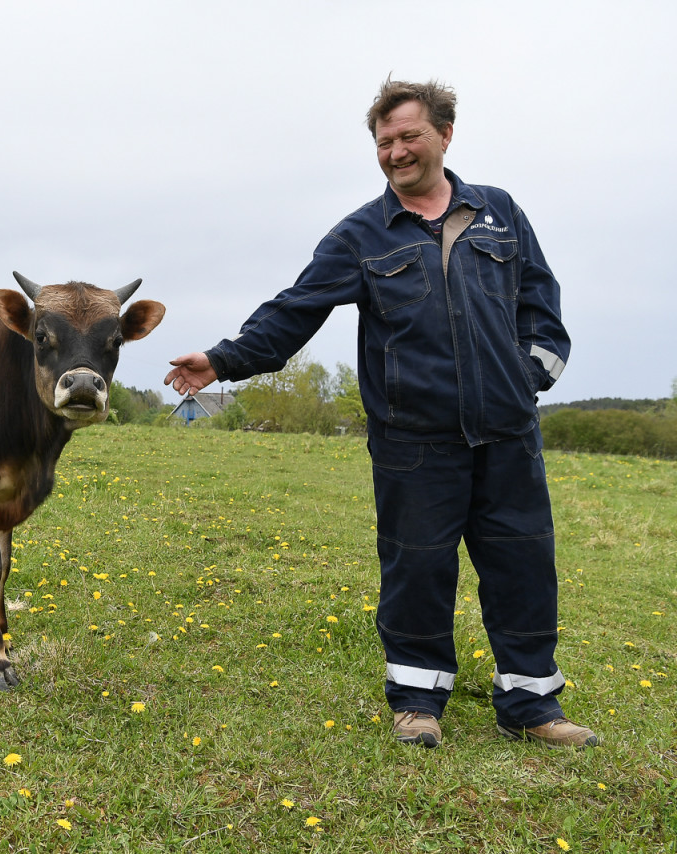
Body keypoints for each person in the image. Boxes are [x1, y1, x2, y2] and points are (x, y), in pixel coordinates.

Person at [164, 78, 598, 749]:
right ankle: (418, 704)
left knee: (524, 569)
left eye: (408, 136)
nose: (395, 152)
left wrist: (527, 379)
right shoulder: (362, 234)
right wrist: (222, 360)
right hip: (413, 442)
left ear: (444, 135)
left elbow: (540, 303)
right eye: (383, 141)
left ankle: (533, 705)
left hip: (509, 436)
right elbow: (294, 310)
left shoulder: (500, 213)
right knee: (417, 570)